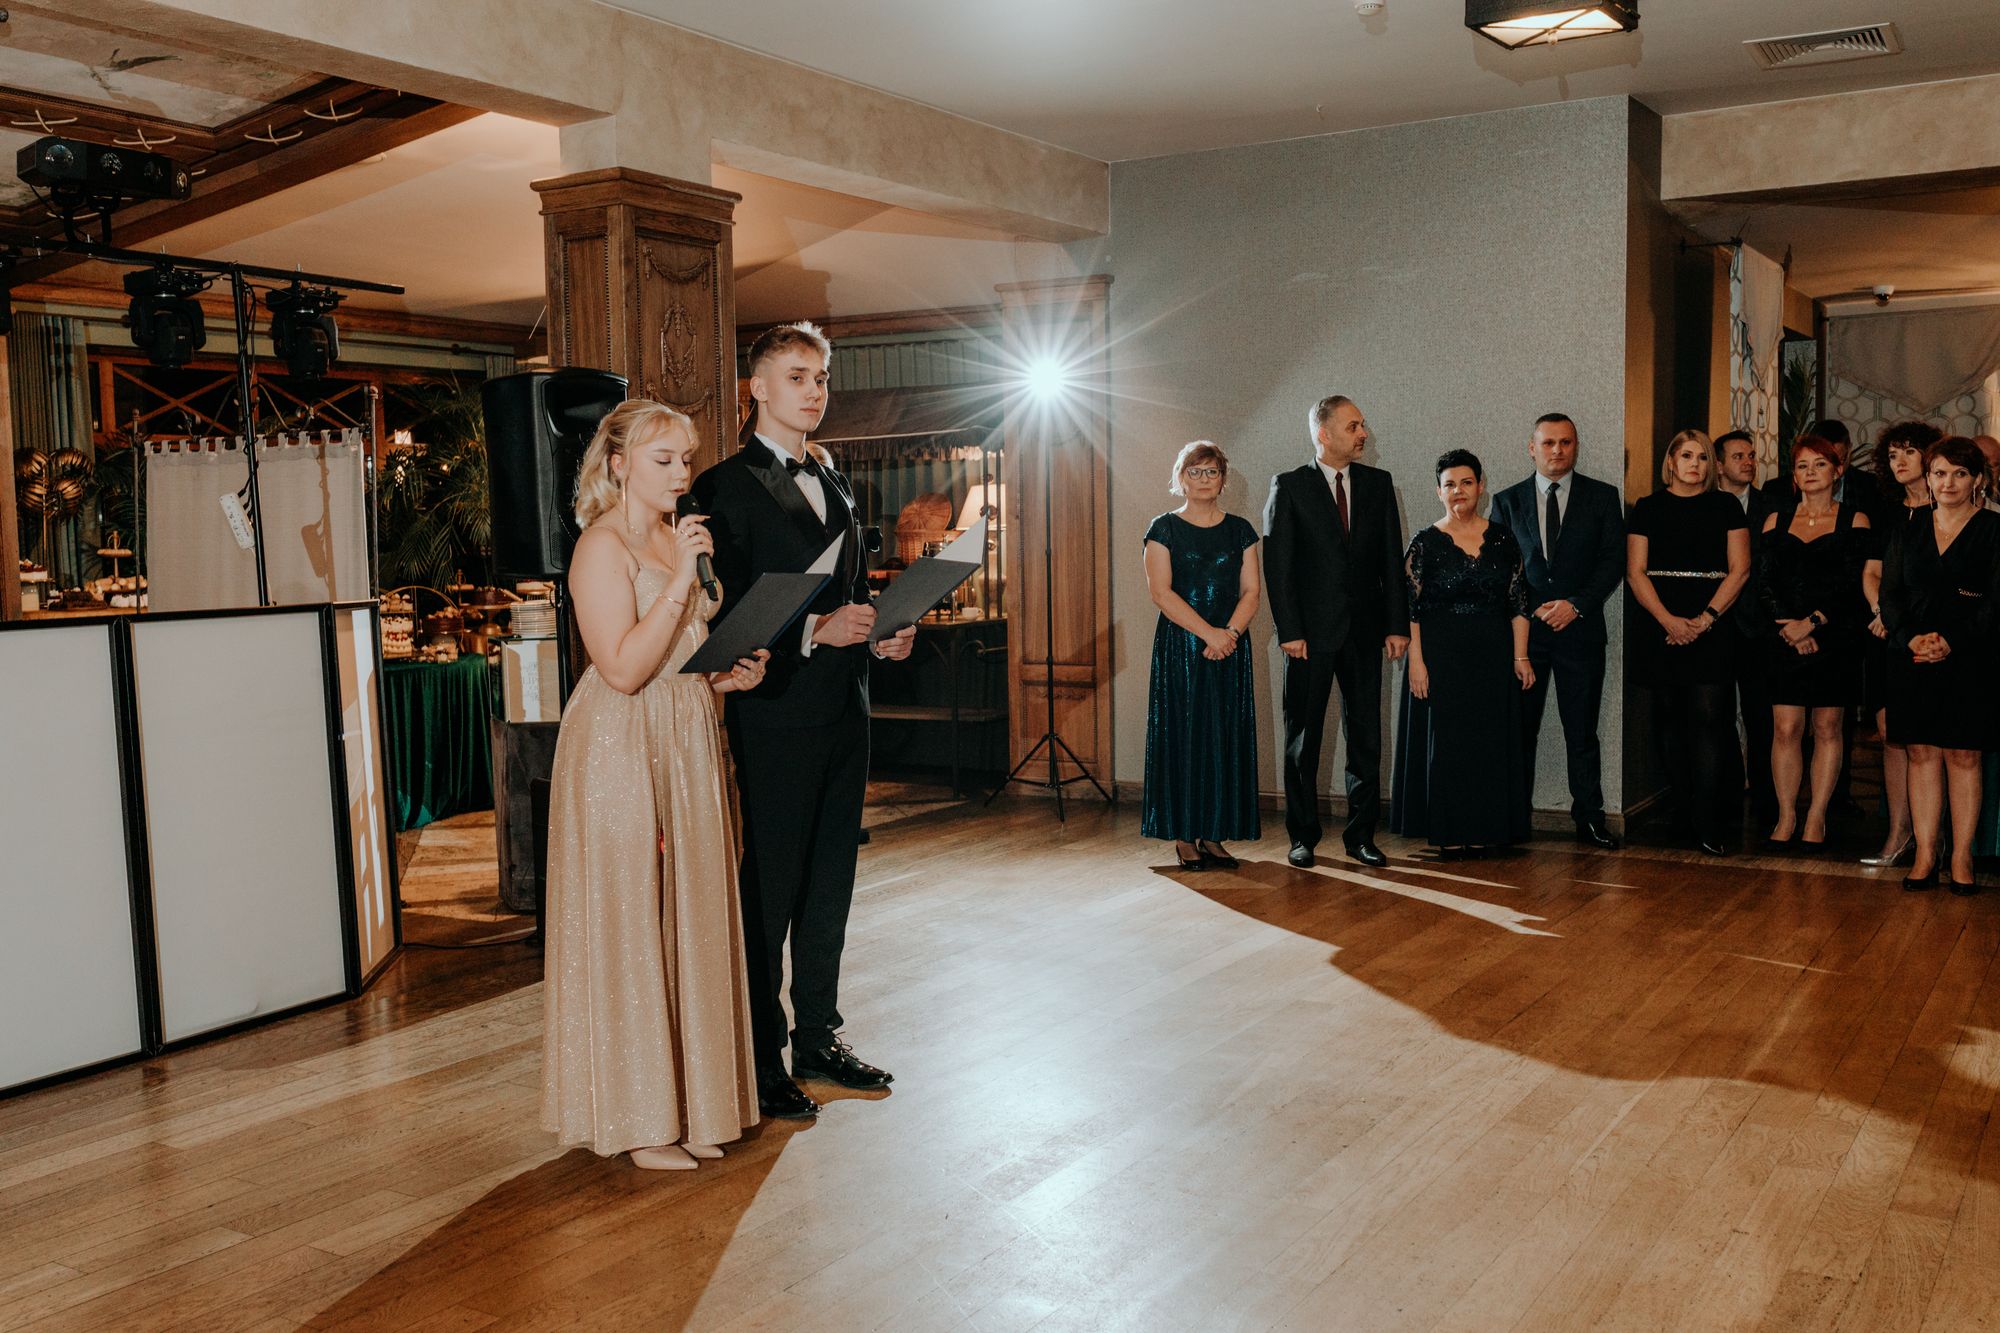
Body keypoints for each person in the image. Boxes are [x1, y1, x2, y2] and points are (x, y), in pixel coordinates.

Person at [690, 321, 916, 1122]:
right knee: (771, 889)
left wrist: (884, 630)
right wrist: (816, 631)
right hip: (774, 711)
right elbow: (718, 614)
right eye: (796, 376)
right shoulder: (722, 486)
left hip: (847, 709)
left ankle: (819, 1039)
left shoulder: (836, 477)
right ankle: (760, 1058)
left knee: (830, 886)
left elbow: (850, 590)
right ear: (756, 387)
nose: (814, 390)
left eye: (820, 377)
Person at [541, 400, 771, 1170]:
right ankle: (640, 1120)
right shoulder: (599, 548)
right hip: (618, 741)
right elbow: (622, 667)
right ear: (618, 465)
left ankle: (694, 1103)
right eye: (663, 459)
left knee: (692, 910)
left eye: (686, 458)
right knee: (633, 917)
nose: (681, 473)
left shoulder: (679, 537)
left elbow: (680, 656)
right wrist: (677, 585)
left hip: (686, 732)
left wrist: (727, 675)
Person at [1263, 395, 1410, 869]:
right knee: (1303, 740)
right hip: (1307, 637)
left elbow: (1391, 559)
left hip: (1365, 633)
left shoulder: (1378, 484)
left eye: (1363, 424)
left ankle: (1361, 836)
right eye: (1353, 426)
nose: (1363, 433)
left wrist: (1396, 624)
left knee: (1366, 738)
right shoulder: (1289, 486)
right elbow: (1278, 565)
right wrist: (1289, 630)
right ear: (1323, 434)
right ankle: (1302, 836)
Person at [1488, 413, 1626, 849]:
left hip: (1580, 632)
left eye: (1566, 442)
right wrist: (1528, 611)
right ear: (1532, 448)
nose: (1557, 451)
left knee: (1581, 732)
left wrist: (1577, 605)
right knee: (1520, 731)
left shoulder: (1602, 497)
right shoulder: (1507, 501)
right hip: (1525, 637)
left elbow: (1613, 560)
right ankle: (1514, 819)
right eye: (1548, 443)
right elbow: (1500, 569)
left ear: (1575, 446)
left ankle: (1589, 819)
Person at [1389, 450, 1533, 855]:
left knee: (1489, 743)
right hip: (1440, 657)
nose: (1458, 491)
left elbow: (1519, 601)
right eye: (1450, 484)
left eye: (1466, 483)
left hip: (1493, 656)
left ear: (1480, 487)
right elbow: (1410, 609)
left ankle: (1489, 831)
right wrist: (1417, 664)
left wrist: (1520, 657)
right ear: (1438, 491)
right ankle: (1449, 832)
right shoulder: (1425, 542)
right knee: (1449, 746)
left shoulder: (1503, 539)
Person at [1880, 435, 2000, 895]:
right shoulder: (1906, 529)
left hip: (1972, 658)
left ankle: (1961, 856)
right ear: (1928, 479)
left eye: (1959, 473)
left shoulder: (1993, 530)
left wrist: (1952, 642)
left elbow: (1995, 602)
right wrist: (1911, 637)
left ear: (1976, 480)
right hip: (1912, 655)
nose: (1948, 482)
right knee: (1921, 752)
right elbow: (1890, 595)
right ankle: (1926, 853)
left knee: (1964, 755)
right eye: (1940, 473)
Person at [1626, 430, 1751, 855]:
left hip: (1711, 621)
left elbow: (1740, 569)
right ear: (1671, 462)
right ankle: (1680, 812)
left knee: (1709, 720)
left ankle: (1707, 820)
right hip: (1659, 621)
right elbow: (1635, 571)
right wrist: (1668, 620)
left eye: (1702, 457)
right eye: (1686, 456)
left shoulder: (1726, 505)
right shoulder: (1648, 507)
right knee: (1670, 721)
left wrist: (1705, 619)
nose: (1695, 464)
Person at [1141, 441, 1262, 869]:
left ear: (1223, 479)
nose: (1204, 479)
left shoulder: (1241, 530)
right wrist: (1209, 633)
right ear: (1181, 478)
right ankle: (1184, 836)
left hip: (1230, 647)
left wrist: (1229, 634)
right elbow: (1161, 593)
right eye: (1195, 472)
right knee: (1184, 736)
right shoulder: (1163, 529)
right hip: (1182, 649)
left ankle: (1213, 834)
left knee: (1223, 736)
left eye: (1212, 472)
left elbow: (1252, 591)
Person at [1757, 435, 1874, 850]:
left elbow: (1852, 585)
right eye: (1802, 465)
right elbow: (1764, 582)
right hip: (1784, 636)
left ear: (1837, 471)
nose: (1810, 472)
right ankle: (1787, 814)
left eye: (1820, 464)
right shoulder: (1776, 520)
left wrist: (1813, 624)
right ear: (1794, 474)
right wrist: (1791, 627)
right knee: (1786, 727)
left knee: (1827, 726)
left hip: (1835, 638)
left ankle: (1817, 815)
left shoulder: (1855, 520)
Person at [1859, 420, 1939, 866]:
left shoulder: (1948, 509)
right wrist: (1882, 614)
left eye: (1909, 451)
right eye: (1893, 454)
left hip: (1931, 638)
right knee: (1892, 735)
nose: (1900, 461)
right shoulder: (1886, 511)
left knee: (1931, 739)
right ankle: (1898, 833)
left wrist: (1901, 621)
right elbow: (1872, 572)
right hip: (1885, 635)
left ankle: (1935, 838)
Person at [1715, 428, 1779, 826]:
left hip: (1759, 625)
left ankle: (1766, 800)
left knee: (1761, 717)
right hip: (1715, 624)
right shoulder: (1704, 504)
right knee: (1718, 714)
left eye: (1751, 455)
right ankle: (1726, 793)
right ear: (1719, 465)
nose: (1748, 462)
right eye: (1738, 456)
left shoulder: (1772, 507)